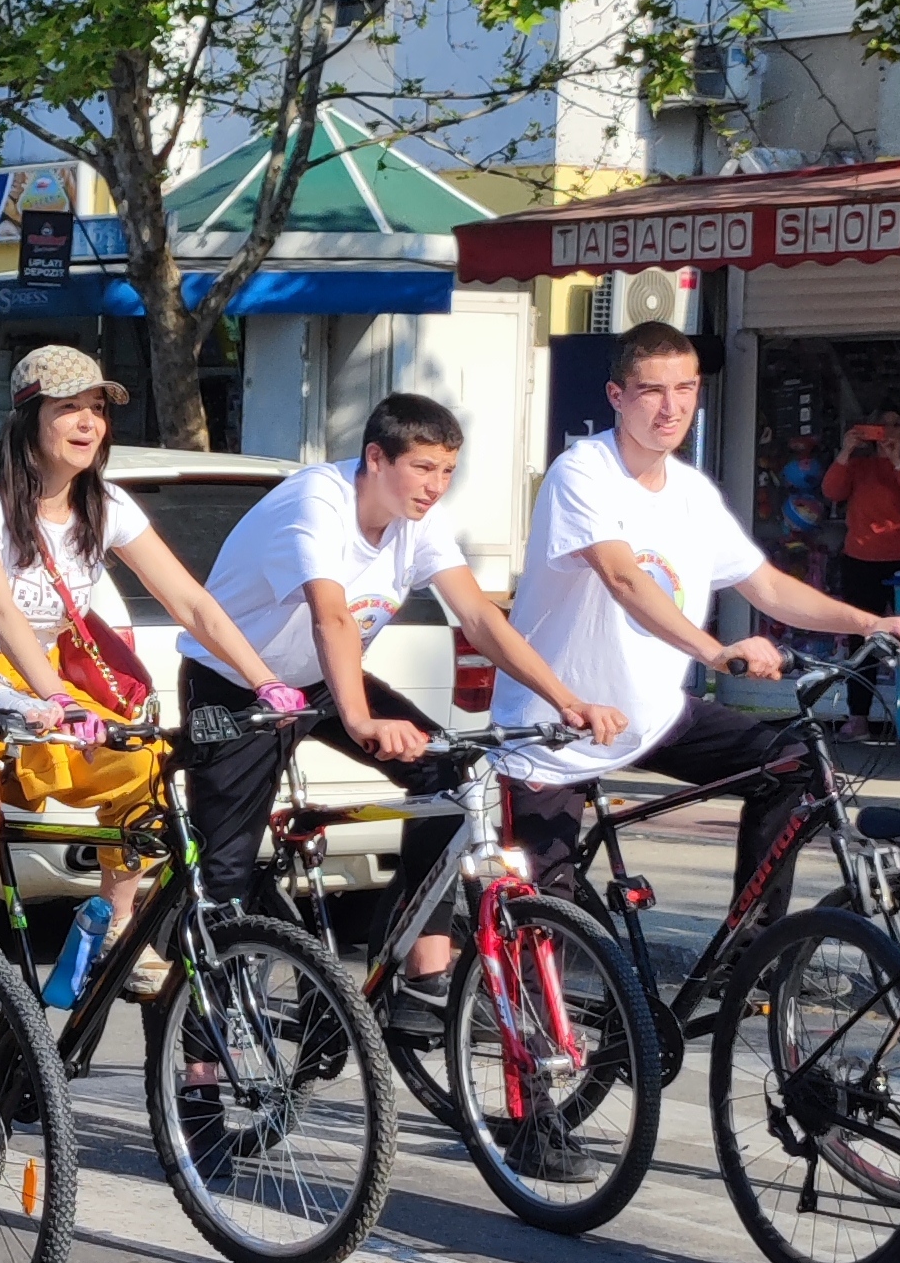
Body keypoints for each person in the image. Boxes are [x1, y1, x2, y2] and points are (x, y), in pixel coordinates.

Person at [181, 392, 631, 1023]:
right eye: (423, 468)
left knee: (454, 782)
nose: (436, 486)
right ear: (376, 457)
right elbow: (331, 616)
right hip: (235, 684)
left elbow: (478, 616)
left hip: (320, 680)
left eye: (448, 470)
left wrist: (568, 698)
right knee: (222, 880)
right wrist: (361, 719)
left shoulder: (418, 521)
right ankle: (200, 1073)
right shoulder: (318, 502)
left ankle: (415, 972)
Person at [492, 322, 900, 917]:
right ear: (617, 396)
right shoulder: (583, 471)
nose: (672, 408)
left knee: (791, 765)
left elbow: (767, 585)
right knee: (546, 922)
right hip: (557, 728)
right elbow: (623, 577)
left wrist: (870, 622)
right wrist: (713, 652)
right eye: (651, 391)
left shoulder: (691, 491)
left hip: (650, 714)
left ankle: (747, 958)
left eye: (686, 388)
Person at [0, 346, 291, 993]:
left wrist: (266, 681)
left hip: (42, 688)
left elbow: (192, 602)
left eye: (97, 408)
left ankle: (113, 927)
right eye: (71, 408)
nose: (89, 422)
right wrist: (55, 700)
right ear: (29, 417)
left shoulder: (107, 504)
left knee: (145, 771)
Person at [819, 405, 900, 737]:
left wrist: (897, 460)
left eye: (895, 425)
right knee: (861, 639)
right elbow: (831, 491)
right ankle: (857, 715)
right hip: (861, 559)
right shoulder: (859, 465)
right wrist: (846, 451)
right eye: (881, 426)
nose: (887, 432)